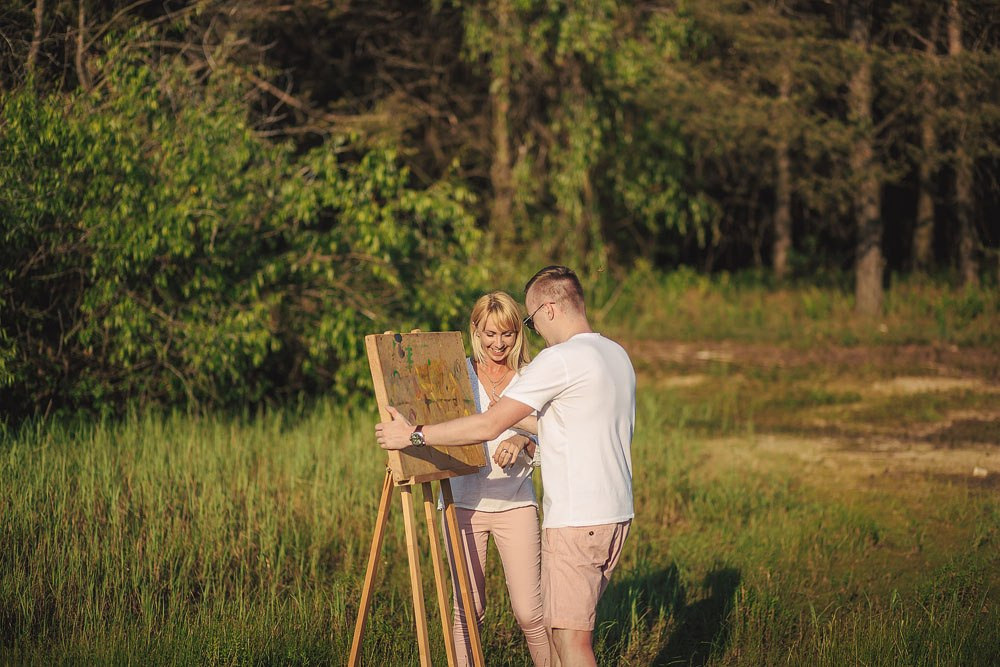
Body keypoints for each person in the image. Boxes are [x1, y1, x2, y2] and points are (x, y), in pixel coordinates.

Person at [376, 266, 636, 667]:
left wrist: (415, 435)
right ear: (476, 332)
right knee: (558, 630)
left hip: (571, 516)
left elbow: (489, 424)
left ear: (548, 309)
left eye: (525, 324)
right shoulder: (614, 353)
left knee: (565, 637)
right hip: (611, 514)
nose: (528, 333)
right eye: (491, 333)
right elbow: (559, 424)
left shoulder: (558, 361)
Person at [441, 291, 549, 667]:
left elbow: (549, 433)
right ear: (475, 331)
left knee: (530, 611)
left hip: (515, 502)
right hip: (462, 503)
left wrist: (522, 440)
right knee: (468, 609)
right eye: (489, 334)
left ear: (518, 333)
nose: (498, 344)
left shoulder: (531, 375)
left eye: (506, 334)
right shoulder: (457, 373)